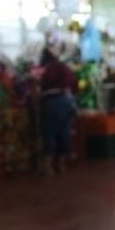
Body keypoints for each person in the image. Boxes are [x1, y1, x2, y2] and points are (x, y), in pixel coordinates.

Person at [39, 47, 77, 175]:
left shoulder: (49, 70)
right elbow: (74, 84)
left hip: (52, 102)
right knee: (64, 132)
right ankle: (61, 165)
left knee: (49, 133)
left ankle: (48, 167)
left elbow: (43, 85)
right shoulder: (65, 68)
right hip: (67, 102)